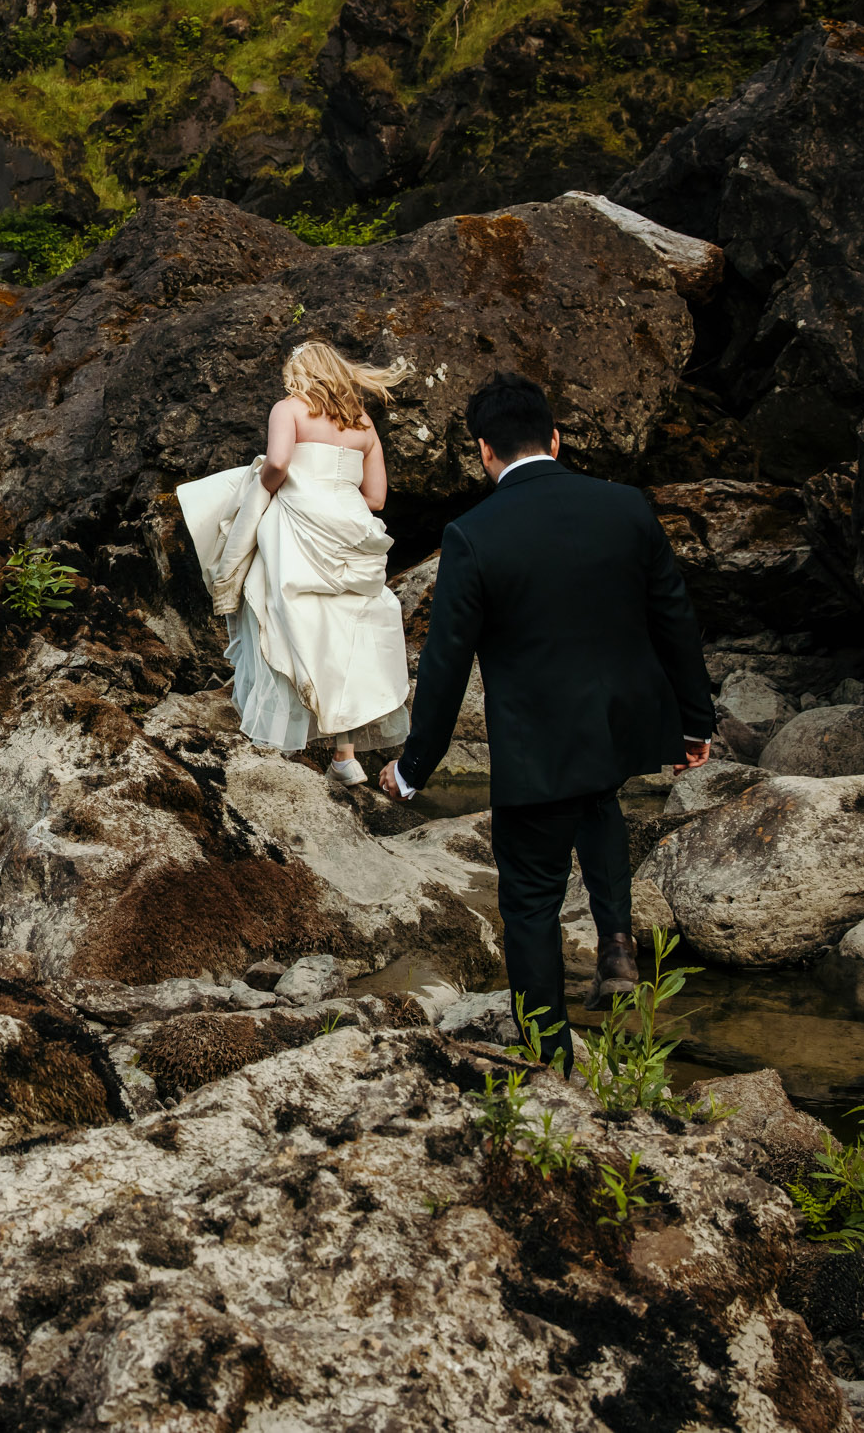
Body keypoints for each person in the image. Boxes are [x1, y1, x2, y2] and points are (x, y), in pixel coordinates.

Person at [384, 372, 714, 1063]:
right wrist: (693, 722)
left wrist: (414, 768)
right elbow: (675, 616)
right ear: (555, 438)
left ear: (483, 451)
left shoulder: (472, 535)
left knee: (531, 897)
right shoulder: (624, 507)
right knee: (598, 800)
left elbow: (444, 667)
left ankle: (546, 1055)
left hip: (537, 742)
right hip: (619, 722)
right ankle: (616, 942)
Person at [177, 341, 412, 783]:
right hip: (350, 530)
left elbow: (279, 462)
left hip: (297, 524)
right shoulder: (364, 424)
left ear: (299, 372)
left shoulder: (288, 409)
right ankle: (345, 757)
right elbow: (377, 499)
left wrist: (260, 489)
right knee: (341, 632)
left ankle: (276, 737)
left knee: (281, 616)